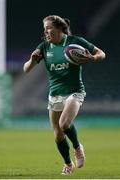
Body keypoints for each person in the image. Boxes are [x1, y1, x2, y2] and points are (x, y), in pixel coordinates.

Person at [23, 15, 106, 175]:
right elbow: (26, 69)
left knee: (65, 124)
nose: (46, 31)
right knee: (57, 134)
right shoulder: (44, 47)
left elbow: (102, 54)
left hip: (74, 91)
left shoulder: (75, 42)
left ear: (59, 28)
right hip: (55, 94)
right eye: (45, 29)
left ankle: (77, 148)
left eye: (48, 28)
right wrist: (33, 61)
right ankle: (68, 164)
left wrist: (93, 57)